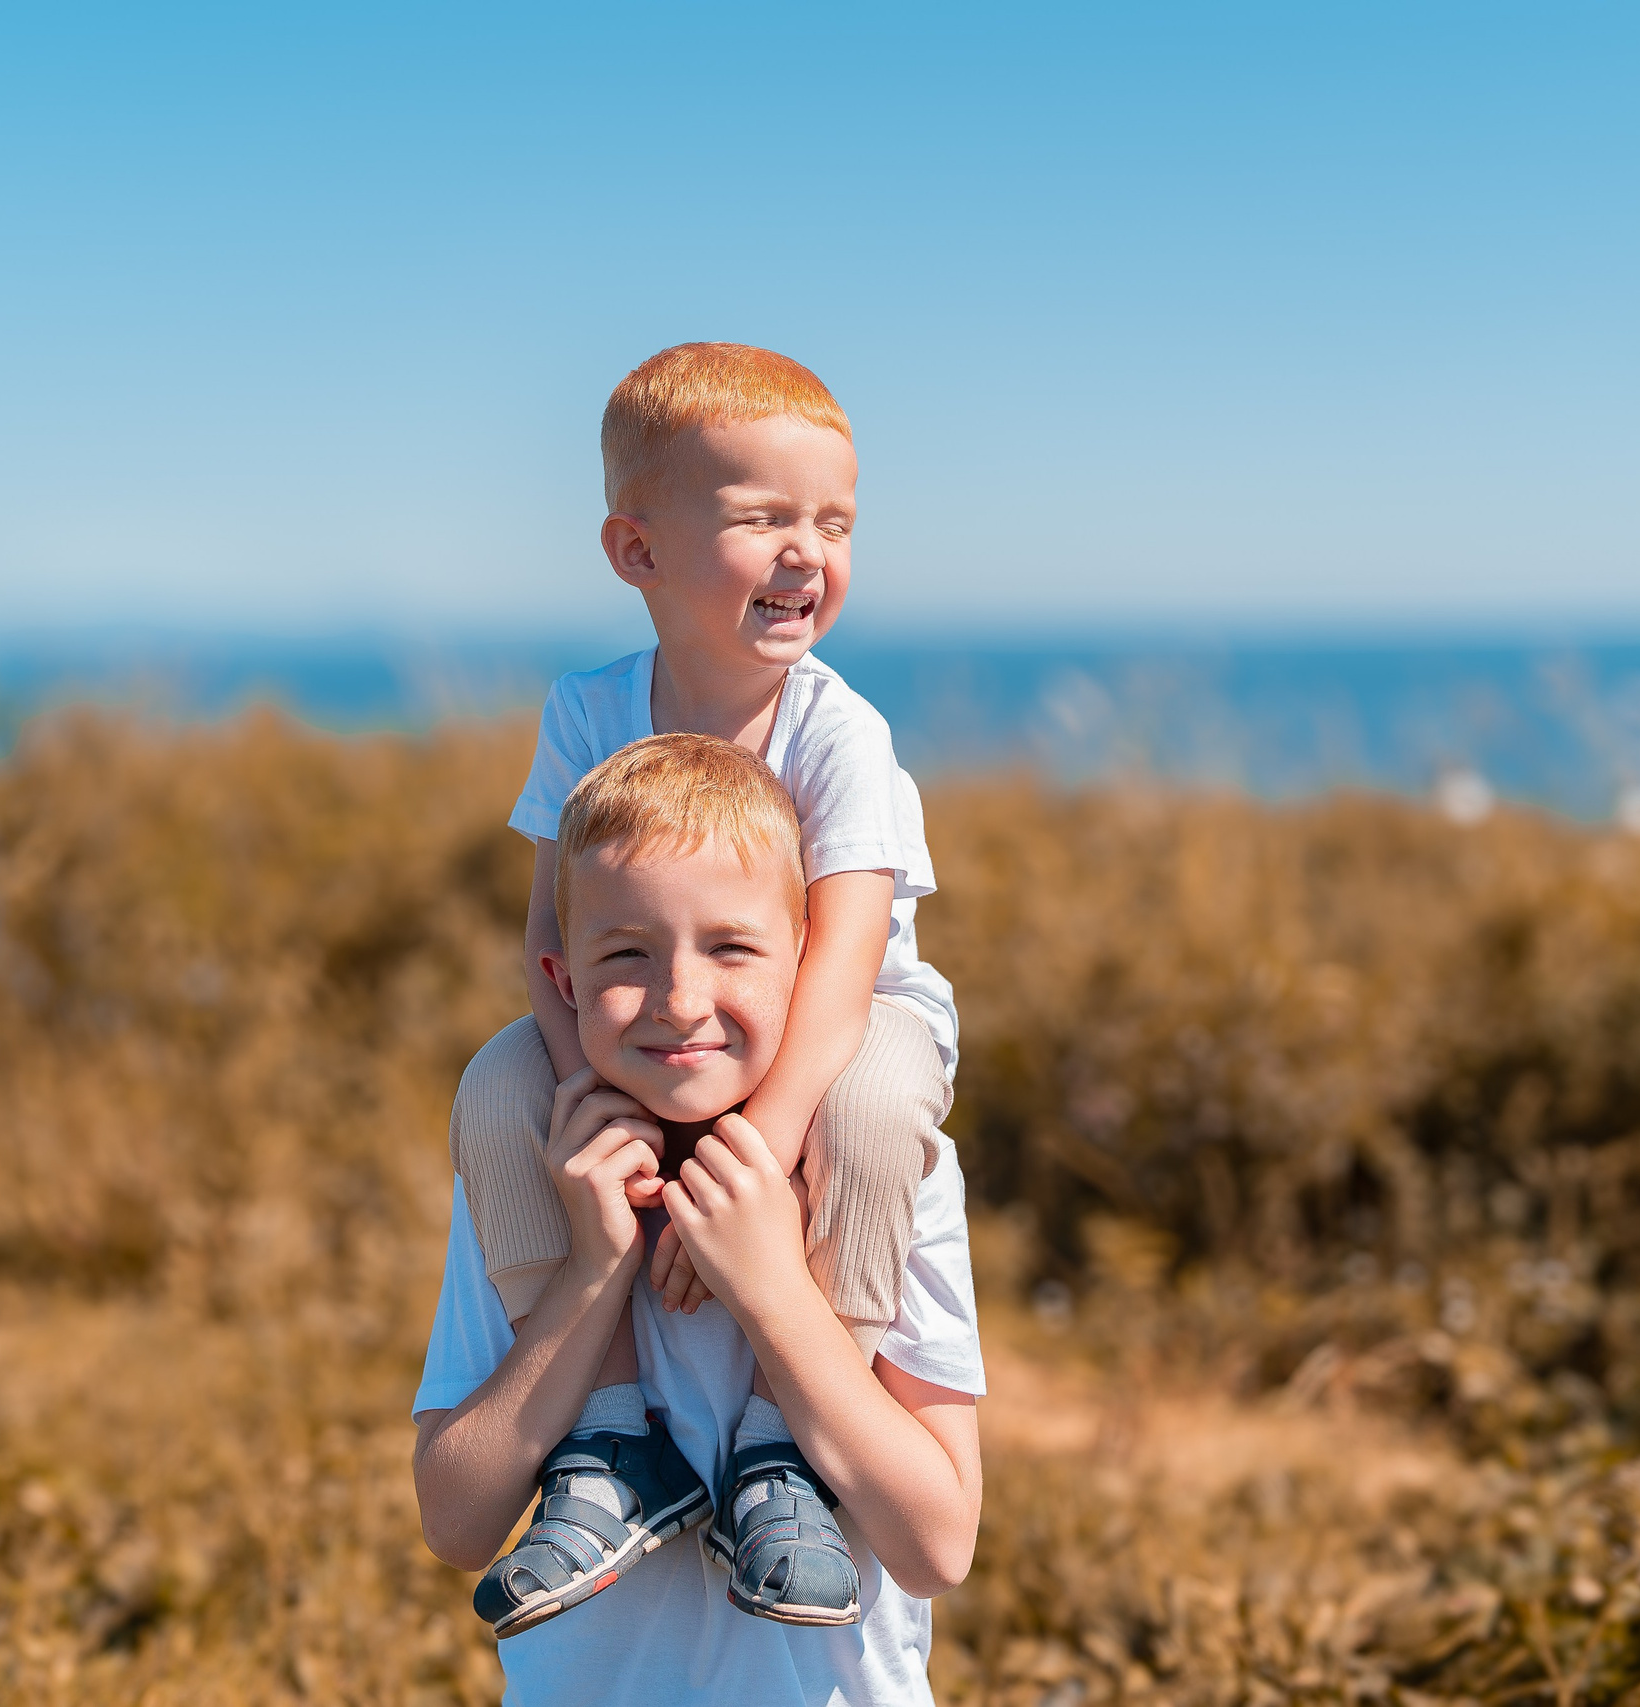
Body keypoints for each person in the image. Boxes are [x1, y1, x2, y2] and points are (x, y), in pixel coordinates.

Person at [440, 346, 962, 1602]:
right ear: (637, 552)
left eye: (832, 523)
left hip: (837, 1030)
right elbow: (548, 940)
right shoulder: (588, 709)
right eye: (762, 518)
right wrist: (594, 1099)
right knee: (499, 1090)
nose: (806, 552)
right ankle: (612, 1435)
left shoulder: (839, 730)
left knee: (878, 1102)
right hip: (648, 1029)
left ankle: (787, 1440)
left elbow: (843, 957)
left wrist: (768, 1138)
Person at [413, 734, 983, 1705]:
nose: (681, 1003)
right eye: (627, 955)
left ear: (808, 969)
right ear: (563, 982)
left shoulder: (879, 1166)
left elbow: (936, 1543)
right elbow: (456, 1522)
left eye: (731, 949)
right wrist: (595, 1267)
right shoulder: (544, 1169)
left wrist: (771, 1288)